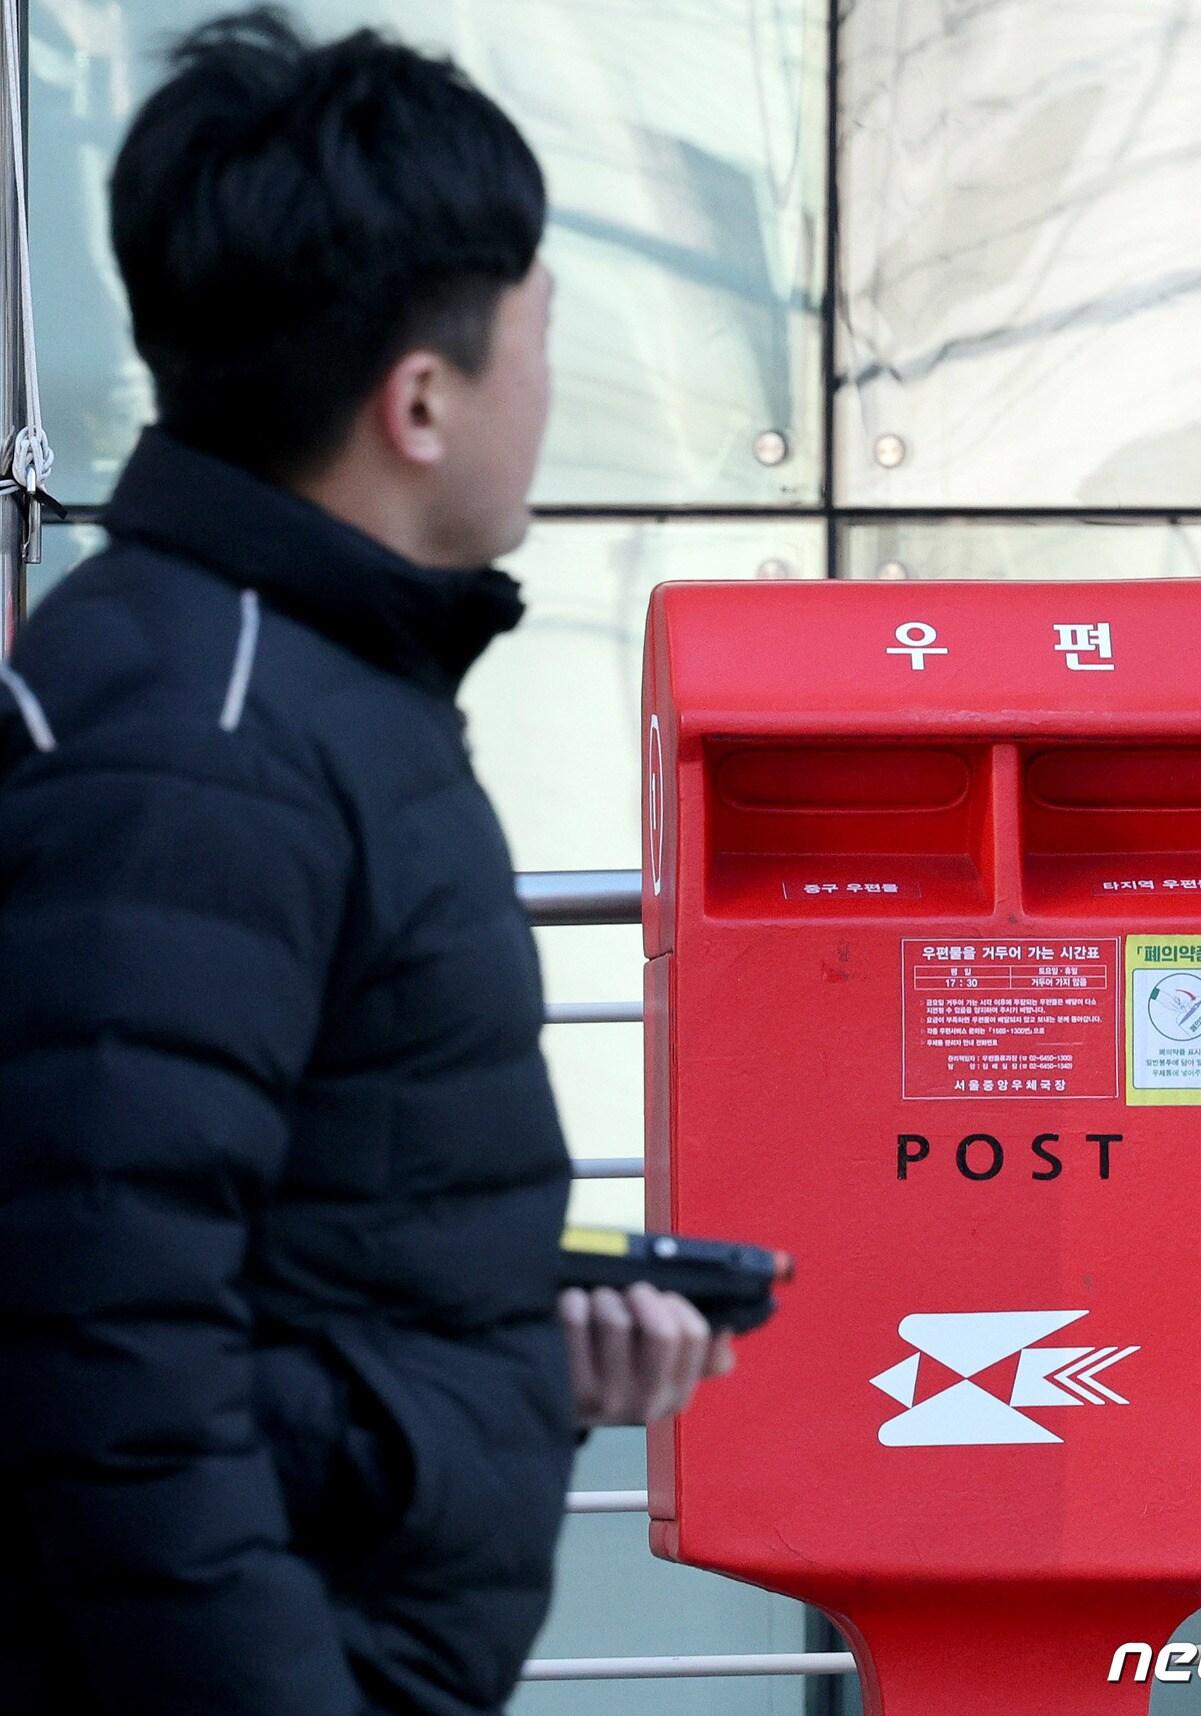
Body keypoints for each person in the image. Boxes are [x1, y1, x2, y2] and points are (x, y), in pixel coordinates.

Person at [0, 9, 733, 1714]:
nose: (548, 393)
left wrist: (512, 1351)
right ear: (419, 400)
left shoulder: (291, 681)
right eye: (537, 337)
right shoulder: (202, 740)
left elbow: (266, 1231)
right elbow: (108, 1357)